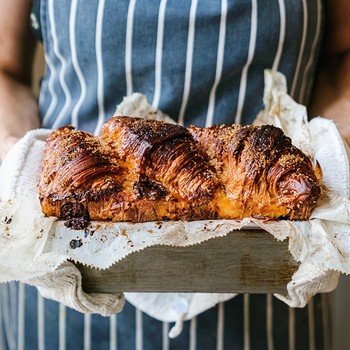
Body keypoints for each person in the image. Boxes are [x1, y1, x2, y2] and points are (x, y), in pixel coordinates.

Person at [0, 0, 349, 349]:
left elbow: (343, 61)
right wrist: (17, 159)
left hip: (279, 292)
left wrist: (337, 154)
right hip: (63, 281)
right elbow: (4, 69)